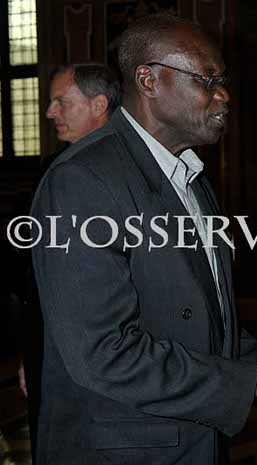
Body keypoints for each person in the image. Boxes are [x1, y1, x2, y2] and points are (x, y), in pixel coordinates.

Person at [30, 15, 257, 465]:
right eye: (208, 80)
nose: (223, 96)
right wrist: (255, 383)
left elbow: (197, 322)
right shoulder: (82, 180)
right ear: (149, 80)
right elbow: (103, 353)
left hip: (193, 442)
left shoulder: (190, 178)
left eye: (222, 81)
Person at [16, 62, 121, 464]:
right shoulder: (53, 167)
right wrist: (34, 352)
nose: (50, 112)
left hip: (107, 361)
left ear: (99, 104)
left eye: (61, 102)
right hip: (51, 346)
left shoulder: (128, 171)